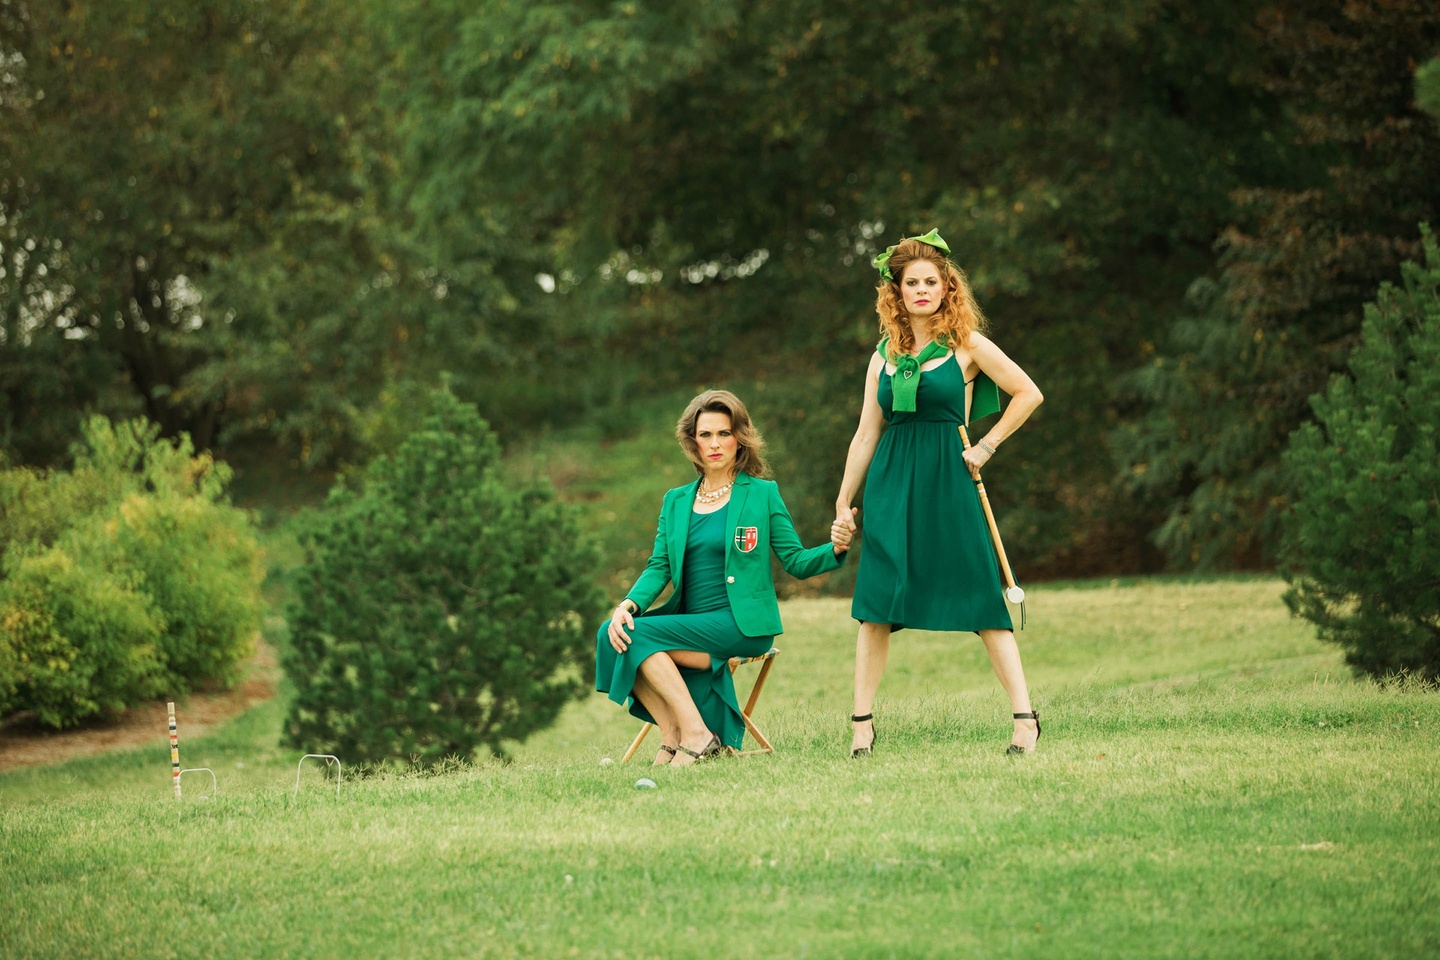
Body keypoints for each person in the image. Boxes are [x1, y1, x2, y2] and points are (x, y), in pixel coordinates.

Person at [833, 229, 1045, 758]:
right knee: (876, 603)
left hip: (949, 482)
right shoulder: (882, 355)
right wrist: (843, 502)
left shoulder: (966, 344)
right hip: (890, 485)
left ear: (947, 288)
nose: (922, 290)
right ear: (897, 293)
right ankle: (862, 726)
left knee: (980, 597)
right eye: (913, 283)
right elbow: (866, 433)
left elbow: (1028, 392)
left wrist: (988, 445)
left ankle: (1025, 721)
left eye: (932, 281)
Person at [597, 389, 854, 767]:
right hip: (693, 622)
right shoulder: (675, 500)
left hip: (740, 624)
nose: (715, 444)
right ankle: (673, 735)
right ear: (693, 443)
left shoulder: (762, 494)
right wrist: (627, 604)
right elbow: (659, 566)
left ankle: (698, 735)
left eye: (724, 433)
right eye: (705, 435)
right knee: (612, 632)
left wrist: (835, 548)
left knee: (639, 636)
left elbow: (796, 561)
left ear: (740, 439)